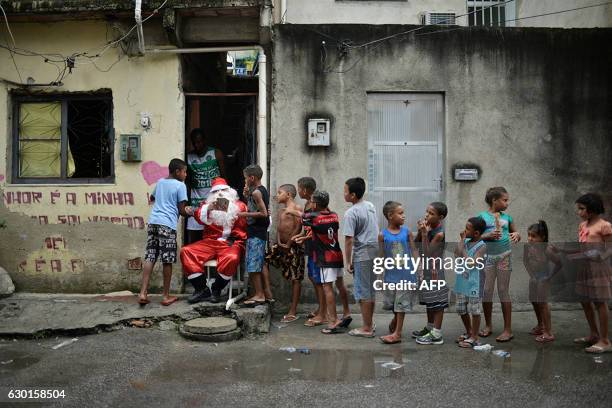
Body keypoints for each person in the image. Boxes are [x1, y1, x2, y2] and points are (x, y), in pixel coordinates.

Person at [180, 177, 247, 304]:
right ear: (211, 195)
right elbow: (199, 216)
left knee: (232, 258)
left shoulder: (240, 206)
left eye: (223, 190)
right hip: (210, 242)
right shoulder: (206, 207)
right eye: (216, 191)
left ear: (230, 192)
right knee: (186, 251)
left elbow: (246, 225)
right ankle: (201, 289)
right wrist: (209, 207)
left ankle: (216, 289)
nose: (220, 193)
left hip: (231, 243)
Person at [139, 158, 193, 306]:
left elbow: (152, 198)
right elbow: (182, 211)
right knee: (167, 260)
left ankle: (143, 292)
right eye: (184, 171)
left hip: (153, 222)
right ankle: (165, 296)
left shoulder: (161, 182)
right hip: (167, 225)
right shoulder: (180, 185)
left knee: (150, 256)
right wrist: (191, 212)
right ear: (177, 172)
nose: (186, 174)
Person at [561, 193, 611, 353]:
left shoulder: (604, 226)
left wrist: (601, 256)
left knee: (600, 302)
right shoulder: (583, 225)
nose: (579, 212)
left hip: (598, 269)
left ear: (592, 210)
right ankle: (594, 334)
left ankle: (605, 340)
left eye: (581, 209)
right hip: (584, 267)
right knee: (584, 300)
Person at [478, 187, 520, 342]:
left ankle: (508, 329)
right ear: (494, 200)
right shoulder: (482, 217)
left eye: (507, 200)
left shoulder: (507, 218)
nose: (507, 203)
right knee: (487, 291)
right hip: (488, 258)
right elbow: (474, 237)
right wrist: (487, 235)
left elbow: (516, 233)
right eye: (505, 200)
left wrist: (517, 234)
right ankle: (488, 325)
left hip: (504, 257)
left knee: (503, 291)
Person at [300, 191, 346, 335]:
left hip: (326, 258)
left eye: (312, 202)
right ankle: (344, 313)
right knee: (339, 284)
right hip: (337, 255)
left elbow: (302, 217)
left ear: (315, 204)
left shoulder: (315, 218)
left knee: (327, 288)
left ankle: (333, 320)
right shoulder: (334, 215)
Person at [343, 177, 379, 338]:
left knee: (363, 291)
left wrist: (348, 261)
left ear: (353, 195)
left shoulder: (351, 213)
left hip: (362, 254)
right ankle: (370, 323)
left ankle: (366, 328)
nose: (343, 194)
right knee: (370, 290)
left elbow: (349, 239)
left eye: (345, 191)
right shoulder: (370, 206)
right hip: (374, 252)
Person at [379, 201, 419, 344]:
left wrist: (417, 266)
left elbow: (414, 250)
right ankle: (396, 320)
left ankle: (397, 333)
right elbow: (382, 256)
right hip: (391, 276)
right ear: (390, 215)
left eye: (403, 213)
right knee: (393, 304)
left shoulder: (406, 232)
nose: (404, 216)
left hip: (406, 275)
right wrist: (380, 275)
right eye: (400, 213)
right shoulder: (382, 235)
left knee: (401, 304)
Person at [265, 184, 304, 323]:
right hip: (281, 245)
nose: (277, 195)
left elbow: (298, 227)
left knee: (296, 278)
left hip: (293, 247)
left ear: (288, 194)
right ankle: (267, 293)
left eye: (279, 192)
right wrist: (280, 242)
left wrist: (289, 244)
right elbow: (280, 228)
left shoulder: (296, 209)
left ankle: (293, 311)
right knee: (264, 260)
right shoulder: (281, 209)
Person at [414, 202, 449, 345]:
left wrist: (424, 233)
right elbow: (416, 244)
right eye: (427, 212)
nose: (427, 215)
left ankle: (437, 333)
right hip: (426, 270)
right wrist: (420, 232)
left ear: (440, 217)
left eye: (431, 213)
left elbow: (427, 253)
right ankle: (430, 327)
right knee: (429, 301)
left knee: (437, 302)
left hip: (435, 271)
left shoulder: (439, 234)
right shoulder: (428, 229)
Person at [524, 220, 562, 343]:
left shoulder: (547, 250)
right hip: (534, 277)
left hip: (543, 277)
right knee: (534, 301)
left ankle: (548, 332)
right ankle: (541, 325)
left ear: (543, 237)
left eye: (533, 236)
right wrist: (531, 275)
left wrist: (549, 277)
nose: (530, 238)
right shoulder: (528, 247)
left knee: (543, 304)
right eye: (529, 235)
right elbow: (525, 261)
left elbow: (559, 263)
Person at [186, 128, 225, 244]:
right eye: (194, 143)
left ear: (204, 140)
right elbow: (186, 180)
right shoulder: (188, 157)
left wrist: (224, 200)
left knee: (217, 232)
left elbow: (224, 178)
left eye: (199, 142)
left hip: (216, 199)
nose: (197, 145)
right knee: (194, 236)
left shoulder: (216, 153)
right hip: (196, 201)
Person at [239, 164, 271, 306]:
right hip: (255, 232)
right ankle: (258, 293)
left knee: (254, 265)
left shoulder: (257, 192)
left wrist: (244, 214)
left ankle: (259, 294)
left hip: (258, 232)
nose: (245, 181)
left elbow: (264, 213)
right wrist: (247, 196)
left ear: (252, 178)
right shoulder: (256, 191)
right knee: (253, 263)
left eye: (246, 178)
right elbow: (255, 207)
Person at [454, 217, 487, 348]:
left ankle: (475, 336)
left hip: (475, 283)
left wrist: (463, 250)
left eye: (468, 228)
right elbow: (456, 254)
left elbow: (471, 262)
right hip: (462, 281)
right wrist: (462, 241)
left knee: (475, 309)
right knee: (461, 308)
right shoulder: (465, 241)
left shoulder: (482, 246)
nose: (464, 230)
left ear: (476, 233)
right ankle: (469, 331)